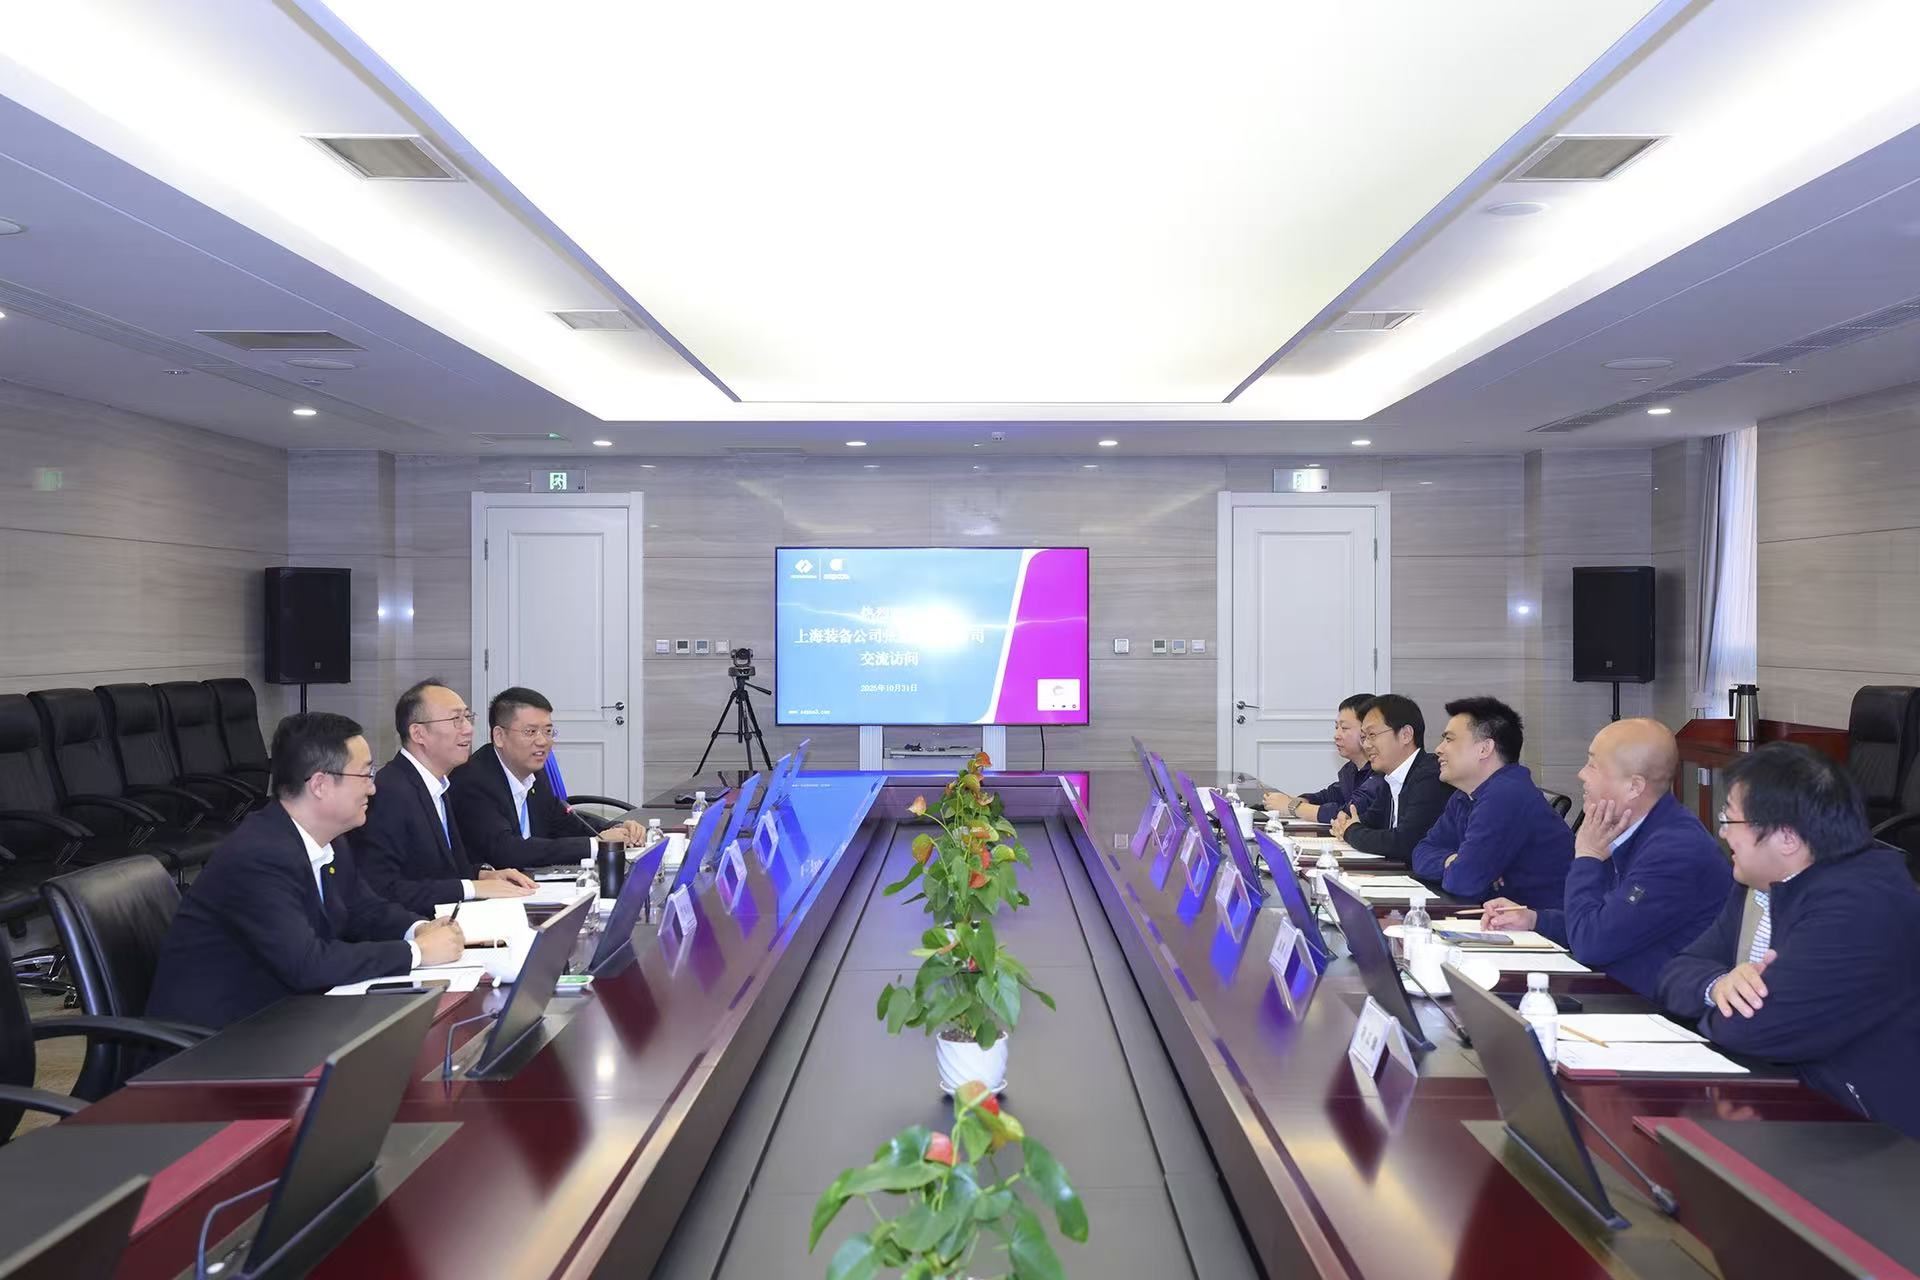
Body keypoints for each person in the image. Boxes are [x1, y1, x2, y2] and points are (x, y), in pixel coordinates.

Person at [1655, 743, 1920, 1139]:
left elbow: (1752, 1031)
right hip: (1786, 1105)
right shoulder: (1759, 883)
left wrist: (1721, 1010)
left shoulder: (1861, 907)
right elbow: (1675, 973)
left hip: (1871, 1137)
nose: (1723, 832)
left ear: (1787, 838)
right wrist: (1719, 986)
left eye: (1730, 819)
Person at [146, 713, 466, 1029]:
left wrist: (419, 929)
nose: (372, 788)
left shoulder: (330, 839)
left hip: (288, 1017)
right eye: (365, 775)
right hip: (221, 1037)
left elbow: (364, 910)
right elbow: (307, 964)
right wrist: (415, 952)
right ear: (320, 784)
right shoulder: (258, 856)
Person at [1485, 719, 1730, 997]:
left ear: (1634, 786)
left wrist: (1587, 856)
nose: (1581, 774)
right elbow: (1603, 919)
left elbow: (1591, 943)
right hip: (1613, 988)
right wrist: (1535, 920)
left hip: (1651, 1008)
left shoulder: (1675, 851)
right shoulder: (1627, 826)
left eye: (1593, 765)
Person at [358, 679, 535, 915]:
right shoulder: (390, 792)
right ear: (418, 733)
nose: (468, 729)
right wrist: (471, 888)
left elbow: (440, 870)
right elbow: (385, 890)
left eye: (467, 717)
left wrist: (483, 875)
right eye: (456, 719)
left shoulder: (437, 785)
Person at [449, 686, 648, 869]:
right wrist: (596, 845)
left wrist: (615, 830)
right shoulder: (473, 781)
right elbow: (507, 851)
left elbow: (562, 821)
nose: (543, 741)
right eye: (530, 732)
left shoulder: (534, 771)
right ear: (499, 736)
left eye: (548, 731)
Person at [1411, 696, 1572, 907]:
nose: (1439, 749)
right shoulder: (1465, 794)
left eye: (1449, 739)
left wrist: (1463, 866)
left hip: (1537, 923)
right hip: (1495, 916)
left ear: (1484, 749)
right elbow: (1420, 853)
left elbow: (1463, 881)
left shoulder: (1506, 796)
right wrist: (1452, 860)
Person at [1330, 694, 1451, 861]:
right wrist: (1345, 823)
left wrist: (1351, 831)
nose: (1366, 745)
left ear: (1405, 735)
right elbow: (1371, 820)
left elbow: (1404, 843)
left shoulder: (1430, 776)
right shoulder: (1390, 777)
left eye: (1372, 735)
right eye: (1364, 737)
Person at [1264, 693, 1381, 823]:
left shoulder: (1380, 773)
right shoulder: (1351, 769)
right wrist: (1295, 801)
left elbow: (1347, 813)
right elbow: (1328, 796)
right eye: (1336, 727)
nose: (1336, 735)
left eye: (1344, 728)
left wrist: (1292, 807)